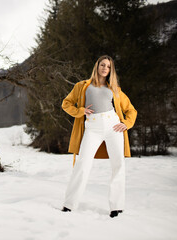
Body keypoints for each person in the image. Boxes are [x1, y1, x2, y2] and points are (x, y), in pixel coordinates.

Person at [61, 55, 137, 218]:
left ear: (111, 70)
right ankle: (69, 204)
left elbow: (131, 110)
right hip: (92, 128)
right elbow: (66, 103)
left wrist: (127, 123)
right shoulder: (82, 86)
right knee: (82, 164)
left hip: (113, 127)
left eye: (108, 66)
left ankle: (116, 207)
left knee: (118, 165)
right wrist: (80, 111)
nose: (105, 68)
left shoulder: (114, 89)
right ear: (97, 66)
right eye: (102, 65)